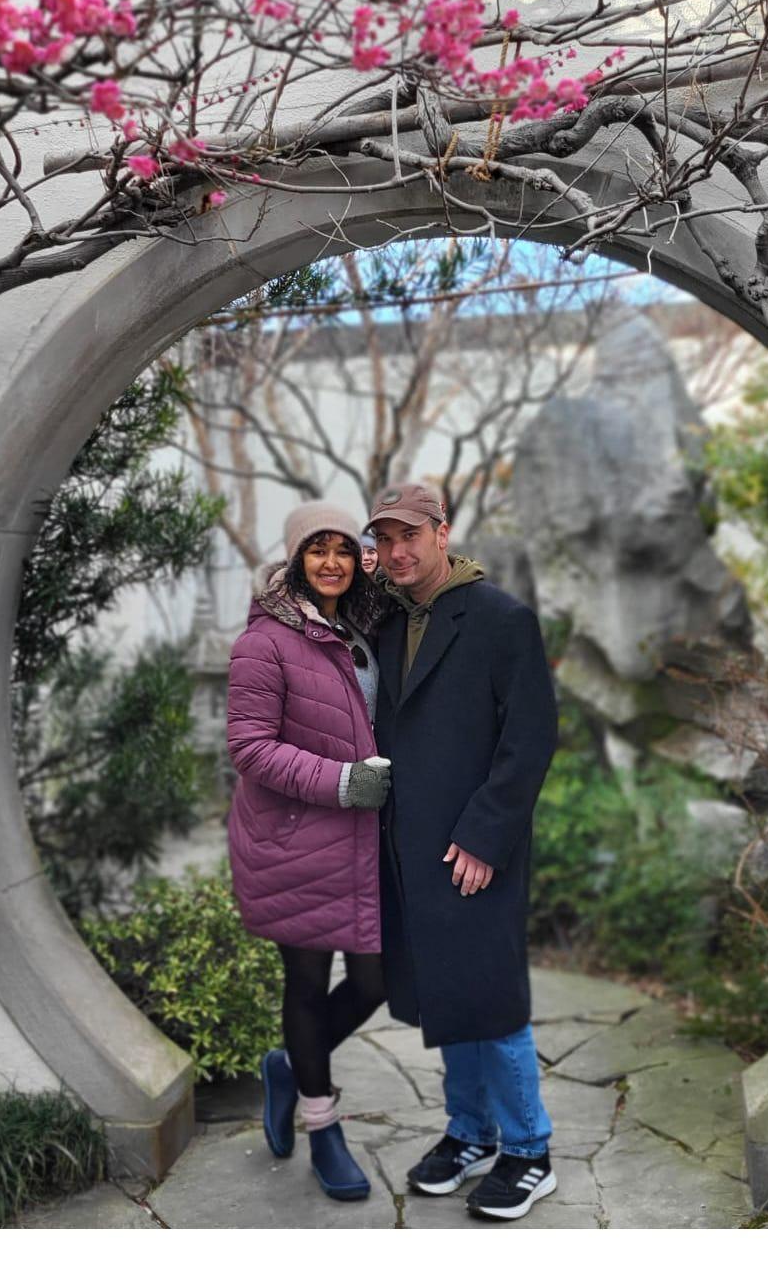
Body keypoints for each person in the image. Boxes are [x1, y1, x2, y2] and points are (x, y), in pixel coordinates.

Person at [367, 483, 559, 1222]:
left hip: (476, 845)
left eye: (410, 535)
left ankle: (529, 1149)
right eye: (385, 539)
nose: (397, 551)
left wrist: (485, 835)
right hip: (411, 845)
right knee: (449, 991)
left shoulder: (501, 619)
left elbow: (530, 738)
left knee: (492, 996)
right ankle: (471, 1132)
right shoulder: (387, 621)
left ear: (442, 532)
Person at [225, 501, 392, 1202]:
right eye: (317, 550)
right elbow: (249, 746)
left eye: (343, 549)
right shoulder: (264, 641)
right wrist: (342, 782)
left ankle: (290, 1065)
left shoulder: (362, 626)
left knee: (376, 981)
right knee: (307, 981)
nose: (331, 562)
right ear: (295, 560)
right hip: (292, 838)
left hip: (360, 838)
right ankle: (322, 1125)